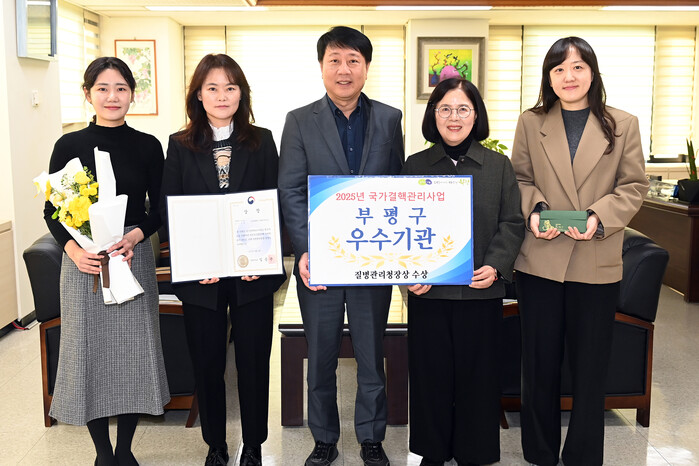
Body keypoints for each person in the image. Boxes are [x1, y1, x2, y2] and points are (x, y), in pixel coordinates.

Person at [510, 36, 650, 466]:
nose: (568, 77)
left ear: (592, 72)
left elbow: (634, 185)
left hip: (596, 259)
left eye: (577, 67)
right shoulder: (531, 122)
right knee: (539, 365)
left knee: (590, 368)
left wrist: (598, 216)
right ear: (548, 78)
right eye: (558, 69)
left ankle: (584, 455)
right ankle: (539, 452)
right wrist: (535, 211)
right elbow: (519, 178)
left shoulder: (622, 124)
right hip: (540, 260)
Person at [278, 26, 404, 466]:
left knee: (371, 357)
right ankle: (324, 439)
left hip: (373, 260)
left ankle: (371, 437)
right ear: (321, 67)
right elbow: (291, 189)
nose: (344, 69)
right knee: (321, 358)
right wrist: (306, 250)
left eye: (353, 60)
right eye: (335, 60)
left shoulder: (389, 118)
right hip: (321, 263)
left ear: (366, 68)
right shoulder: (299, 120)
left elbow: (397, 186)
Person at [160, 53, 286, 466]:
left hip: (252, 276)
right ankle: (215, 444)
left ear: (241, 94)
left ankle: (254, 445)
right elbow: (169, 208)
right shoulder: (180, 144)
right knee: (208, 362)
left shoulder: (262, 140)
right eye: (212, 87)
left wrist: (263, 261)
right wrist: (197, 260)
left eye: (230, 87)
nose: (221, 95)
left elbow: (274, 203)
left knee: (253, 363)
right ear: (198, 94)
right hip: (202, 277)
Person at [43, 57, 169, 466]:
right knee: (89, 354)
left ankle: (125, 449)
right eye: (102, 88)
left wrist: (135, 236)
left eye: (120, 88)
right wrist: (74, 251)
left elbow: (160, 208)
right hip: (83, 264)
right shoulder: (68, 146)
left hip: (131, 259)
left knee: (132, 354)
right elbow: (52, 211)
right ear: (88, 94)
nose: (112, 96)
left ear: (133, 94)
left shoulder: (148, 145)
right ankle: (102, 453)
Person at [401, 78, 524, 466]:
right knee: (430, 376)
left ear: (476, 115)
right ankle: (433, 450)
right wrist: (409, 274)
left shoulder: (498, 166)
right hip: (430, 294)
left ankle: (476, 451)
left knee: (479, 376)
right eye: (445, 109)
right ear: (433, 115)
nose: (453, 117)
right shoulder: (414, 166)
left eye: (463, 109)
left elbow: (512, 222)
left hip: (480, 292)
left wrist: (496, 266)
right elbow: (400, 227)